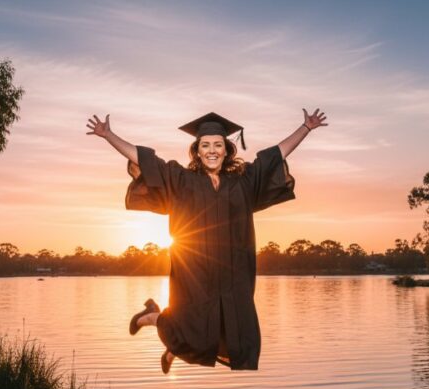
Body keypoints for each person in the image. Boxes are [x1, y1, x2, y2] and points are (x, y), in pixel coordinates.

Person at [86, 109, 326, 373]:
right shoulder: (182, 180)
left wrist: (305, 128)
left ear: (226, 150)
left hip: (233, 272)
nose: (212, 150)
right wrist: (108, 135)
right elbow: (145, 162)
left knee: (236, 336)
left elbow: (275, 156)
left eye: (218, 145)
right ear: (197, 151)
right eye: (205, 145)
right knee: (191, 330)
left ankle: (170, 347)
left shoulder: (243, 181)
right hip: (195, 271)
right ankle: (151, 317)